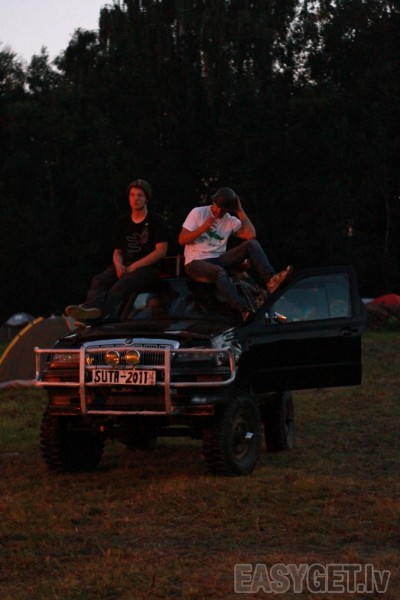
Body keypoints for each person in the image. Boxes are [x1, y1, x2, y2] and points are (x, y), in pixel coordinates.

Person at [178, 187, 292, 323]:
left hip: (217, 259)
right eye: (217, 207)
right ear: (213, 202)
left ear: (229, 209)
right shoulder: (198, 212)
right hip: (195, 262)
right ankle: (242, 309)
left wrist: (240, 210)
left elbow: (250, 234)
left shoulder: (230, 220)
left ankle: (270, 279)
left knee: (252, 244)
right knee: (219, 272)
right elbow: (182, 240)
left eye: (224, 209)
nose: (219, 211)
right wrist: (203, 228)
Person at [66, 179, 168, 320]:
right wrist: (118, 265)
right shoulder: (123, 222)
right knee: (99, 280)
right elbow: (117, 251)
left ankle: (95, 317)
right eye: (132, 195)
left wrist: (135, 266)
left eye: (140, 195)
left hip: (148, 267)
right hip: (125, 264)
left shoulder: (156, 221)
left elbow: (161, 251)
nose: (135, 198)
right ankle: (89, 310)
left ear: (147, 199)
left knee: (122, 285)